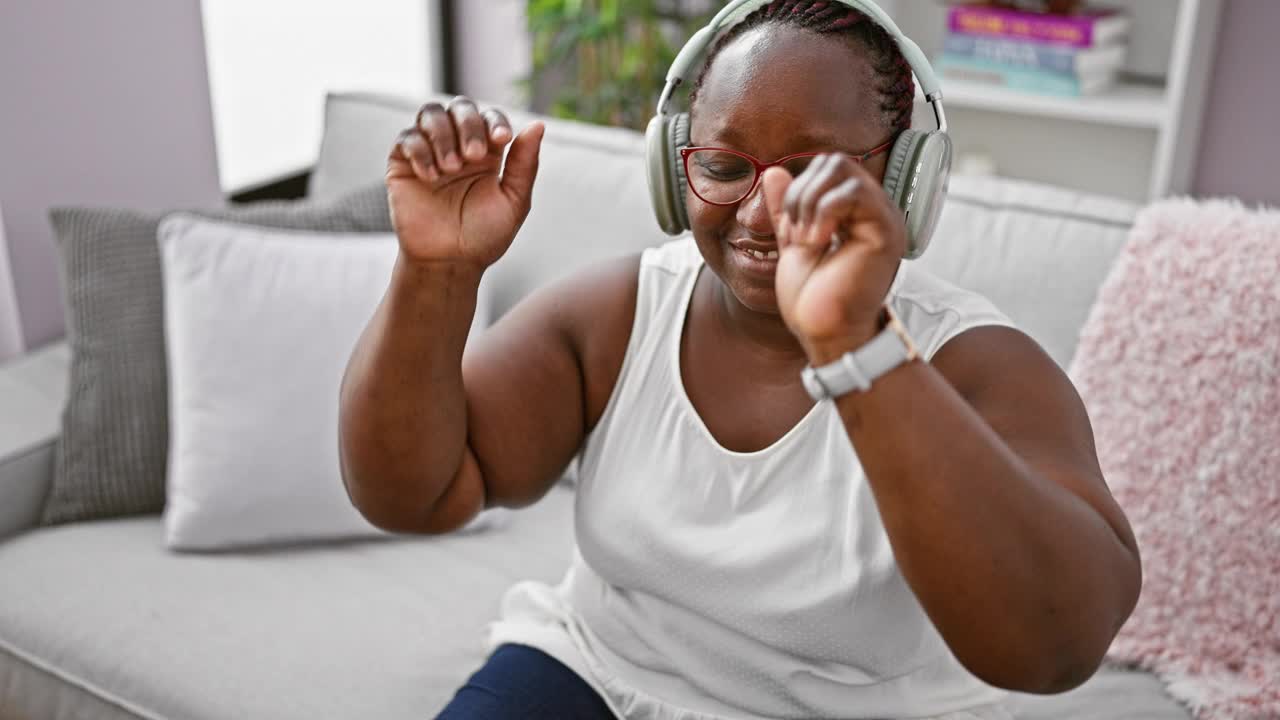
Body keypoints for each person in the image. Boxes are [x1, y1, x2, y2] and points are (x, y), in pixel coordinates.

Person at [338, 1, 1142, 718]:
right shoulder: (618, 315)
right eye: (724, 168)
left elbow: (1055, 649)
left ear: (907, 182)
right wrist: (437, 274)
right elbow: (419, 495)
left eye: (813, 175)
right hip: (592, 670)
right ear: (674, 171)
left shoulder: (979, 365)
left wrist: (854, 346)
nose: (762, 212)